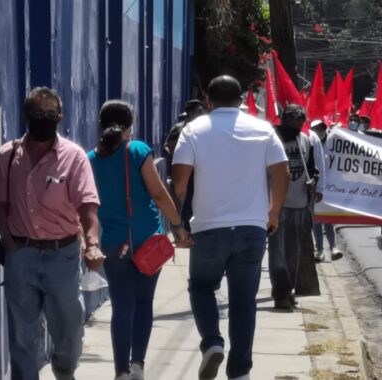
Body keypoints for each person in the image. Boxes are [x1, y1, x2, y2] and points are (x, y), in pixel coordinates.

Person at [172, 76, 290, 380]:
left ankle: (212, 342)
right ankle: (239, 372)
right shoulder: (263, 130)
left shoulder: (193, 131)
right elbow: (282, 173)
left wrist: (176, 224)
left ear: (207, 101)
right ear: (241, 100)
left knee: (201, 287)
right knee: (244, 300)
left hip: (208, 228)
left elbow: (180, 183)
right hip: (252, 228)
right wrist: (273, 213)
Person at [0, 87, 104, 380]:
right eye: (37, 114)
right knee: (21, 335)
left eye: (50, 114)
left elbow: (87, 206)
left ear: (60, 117)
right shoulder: (8, 155)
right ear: (26, 117)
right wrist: (9, 243)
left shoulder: (74, 157)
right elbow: (0, 203)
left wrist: (91, 243)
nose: (44, 118)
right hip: (21, 255)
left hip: (62, 255)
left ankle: (64, 371)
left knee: (69, 330)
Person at [87, 101, 193, 380]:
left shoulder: (90, 159)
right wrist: (178, 226)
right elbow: (158, 194)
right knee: (144, 303)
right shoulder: (136, 151)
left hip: (113, 243)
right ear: (129, 126)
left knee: (121, 306)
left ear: (101, 124)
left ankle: (120, 371)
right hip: (147, 241)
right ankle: (137, 366)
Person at [270, 105, 322, 310]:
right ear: (284, 120)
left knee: (294, 251)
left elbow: (312, 169)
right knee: (277, 250)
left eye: (301, 122)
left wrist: (314, 182)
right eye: (293, 122)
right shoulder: (272, 139)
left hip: (299, 204)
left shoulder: (306, 140)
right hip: (277, 204)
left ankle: (289, 289)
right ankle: (280, 293)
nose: (297, 126)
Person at [163, 100, 207, 230]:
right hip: (182, 173)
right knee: (180, 206)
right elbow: (167, 146)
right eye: (199, 111)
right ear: (190, 112)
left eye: (203, 111)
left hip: (197, 175)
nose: (202, 114)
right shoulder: (179, 129)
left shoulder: (204, 129)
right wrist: (178, 156)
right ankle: (180, 230)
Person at [309, 120, 341, 262]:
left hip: (330, 188)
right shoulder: (310, 143)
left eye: (321, 128)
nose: (318, 131)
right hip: (315, 187)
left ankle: (333, 248)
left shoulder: (333, 145)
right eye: (315, 128)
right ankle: (319, 250)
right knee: (316, 221)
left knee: (328, 220)